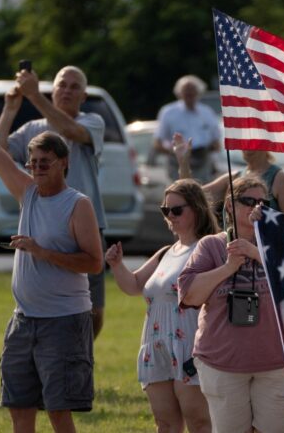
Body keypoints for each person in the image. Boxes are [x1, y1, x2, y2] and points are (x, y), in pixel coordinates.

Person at [0, 68, 103, 433]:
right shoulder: (27, 192)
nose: (37, 169)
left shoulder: (78, 204)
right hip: (23, 320)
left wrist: (43, 252)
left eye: (45, 163)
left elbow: (93, 262)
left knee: (58, 412)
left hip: (64, 322)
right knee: (18, 407)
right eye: (33, 163)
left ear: (64, 164)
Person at [0, 65, 108, 339]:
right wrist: (10, 110)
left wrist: (34, 96)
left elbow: (70, 130)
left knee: (94, 307)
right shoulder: (34, 128)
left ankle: (83, 357)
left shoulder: (92, 121)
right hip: (44, 220)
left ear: (83, 96)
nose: (67, 90)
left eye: (74, 86)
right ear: (53, 90)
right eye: (61, 84)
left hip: (86, 222)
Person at [177, 176, 284, 433]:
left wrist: (257, 253)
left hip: (275, 364)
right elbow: (190, 296)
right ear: (230, 206)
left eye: (262, 203)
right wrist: (227, 268)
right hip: (222, 364)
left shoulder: (281, 246)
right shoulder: (211, 245)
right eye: (248, 201)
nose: (256, 207)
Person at [105, 179, 216, 433]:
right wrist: (117, 265)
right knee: (164, 423)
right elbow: (134, 285)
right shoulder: (167, 251)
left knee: (199, 422)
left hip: (188, 343)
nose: (170, 216)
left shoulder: (208, 247)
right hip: (155, 344)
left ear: (197, 209)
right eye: (165, 210)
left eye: (177, 210)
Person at [154, 75, 221, 183]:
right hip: (177, 163)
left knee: (203, 194)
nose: (189, 94)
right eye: (186, 91)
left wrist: (208, 151)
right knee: (181, 193)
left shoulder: (207, 112)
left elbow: (216, 142)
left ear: (199, 92)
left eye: (192, 91)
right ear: (179, 93)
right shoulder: (168, 112)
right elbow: (157, 143)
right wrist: (175, 152)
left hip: (202, 163)